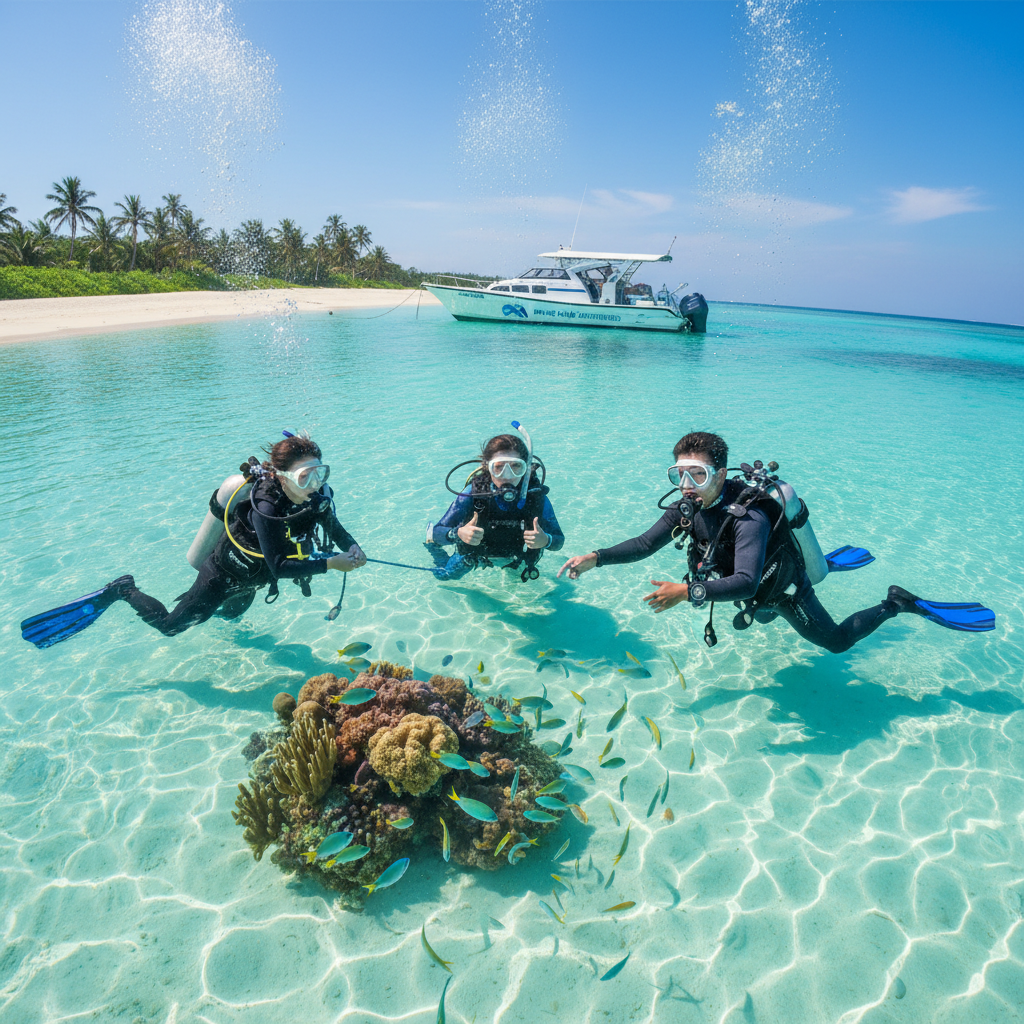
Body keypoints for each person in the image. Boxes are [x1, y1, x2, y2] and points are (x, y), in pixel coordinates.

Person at [558, 431, 994, 652]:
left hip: (778, 586)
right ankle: (821, 563)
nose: (687, 485)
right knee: (760, 616)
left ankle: (897, 602)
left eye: (698, 475)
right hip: (741, 583)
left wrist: (685, 591)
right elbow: (644, 544)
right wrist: (595, 558)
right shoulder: (686, 508)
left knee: (836, 643)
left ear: (722, 475)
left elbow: (747, 581)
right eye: (679, 475)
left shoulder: (748, 517)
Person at [21, 434, 366, 647]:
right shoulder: (266, 507)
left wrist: (350, 545)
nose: (316, 484)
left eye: (322, 473)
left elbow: (333, 526)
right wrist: (330, 564)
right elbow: (279, 565)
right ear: (282, 476)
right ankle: (123, 589)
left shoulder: (313, 497)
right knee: (172, 627)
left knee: (229, 619)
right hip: (224, 577)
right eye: (307, 476)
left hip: (252, 582)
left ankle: (204, 613)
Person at [426, 429, 564, 582]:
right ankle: (434, 551)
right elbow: (437, 533)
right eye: (498, 467)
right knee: (444, 575)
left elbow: (559, 540)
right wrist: (458, 533)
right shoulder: (474, 493)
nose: (508, 475)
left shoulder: (536, 497)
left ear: (526, 467)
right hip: (477, 554)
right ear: (487, 467)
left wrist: (546, 540)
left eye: (516, 466)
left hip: (515, 556)